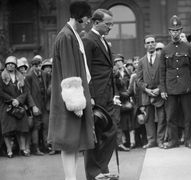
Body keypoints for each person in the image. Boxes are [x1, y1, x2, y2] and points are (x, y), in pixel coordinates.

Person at [47, 2, 94, 180]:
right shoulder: (66, 36)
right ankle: (70, 178)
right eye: (87, 17)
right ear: (80, 16)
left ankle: (72, 178)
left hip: (73, 98)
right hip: (70, 100)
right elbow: (69, 72)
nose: (89, 21)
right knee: (68, 141)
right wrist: (76, 103)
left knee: (73, 141)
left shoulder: (71, 35)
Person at [81, 9, 117, 180]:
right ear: (96, 22)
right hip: (96, 96)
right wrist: (90, 96)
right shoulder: (88, 40)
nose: (111, 27)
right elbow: (85, 71)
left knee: (108, 132)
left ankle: (102, 169)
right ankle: (93, 173)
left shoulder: (102, 40)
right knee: (95, 135)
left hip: (107, 95)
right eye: (108, 24)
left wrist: (114, 93)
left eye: (111, 24)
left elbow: (108, 70)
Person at [160, 15, 191, 149]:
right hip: (170, 88)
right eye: (172, 30)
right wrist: (163, 90)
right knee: (170, 117)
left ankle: (188, 140)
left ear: (181, 31)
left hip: (186, 87)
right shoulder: (165, 50)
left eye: (177, 30)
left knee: (188, 116)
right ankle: (173, 141)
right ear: (169, 32)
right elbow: (162, 72)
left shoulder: (188, 48)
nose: (175, 33)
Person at [136, 35, 166, 149]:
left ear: (155, 43)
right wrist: (147, 89)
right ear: (145, 45)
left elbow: (165, 75)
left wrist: (159, 88)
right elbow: (138, 80)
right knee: (148, 119)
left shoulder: (162, 58)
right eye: (148, 43)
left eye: (152, 42)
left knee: (162, 117)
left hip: (160, 92)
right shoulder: (141, 61)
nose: (150, 45)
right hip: (146, 94)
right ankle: (151, 141)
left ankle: (160, 140)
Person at [0, 56, 30, 158]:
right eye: (8, 64)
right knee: (7, 130)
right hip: (6, 105)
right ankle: (9, 150)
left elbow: (26, 92)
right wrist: (11, 100)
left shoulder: (20, 77)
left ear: (15, 66)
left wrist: (18, 100)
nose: (10, 65)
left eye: (12, 64)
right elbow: (1, 92)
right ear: (5, 65)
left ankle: (22, 149)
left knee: (21, 128)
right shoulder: (1, 77)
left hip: (19, 105)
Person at [25, 55, 51, 155]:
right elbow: (28, 93)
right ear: (32, 66)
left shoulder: (45, 74)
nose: (38, 67)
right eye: (35, 65)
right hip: (35, 104)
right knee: (36, 127)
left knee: (46, 125)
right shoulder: (29, 76)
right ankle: (35, 149)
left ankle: (47, 146)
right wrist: (33, 106)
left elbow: (49, 87)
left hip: (45, 104)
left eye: (39, 65)